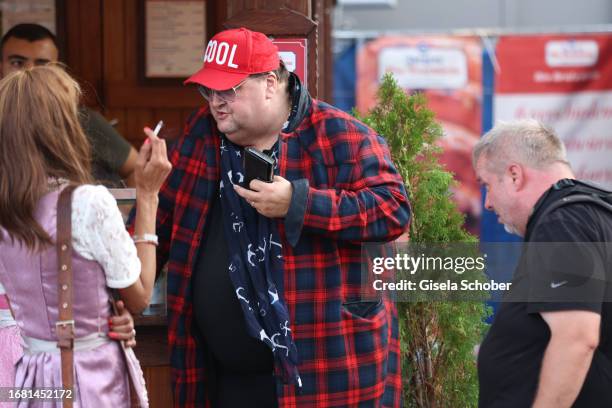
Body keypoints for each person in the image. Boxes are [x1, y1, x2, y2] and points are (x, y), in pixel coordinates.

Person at [135, 27, 410, 407]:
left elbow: (392, 209)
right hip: (221, 379)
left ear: (269, 83)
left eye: (228, 90)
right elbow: (153, 225)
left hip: (324, 375)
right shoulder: (201, 136)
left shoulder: (339, 136)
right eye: (208, 90)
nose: (216, 102)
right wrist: (118, 300)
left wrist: (299, 203)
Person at [0, 65, 171, 405]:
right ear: (62, 129)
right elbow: (138, 298)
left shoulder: (7, 208)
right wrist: (148, 196)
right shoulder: (88, 203)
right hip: (85, 377)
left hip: (28, 380)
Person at [473, 120, 612, 407]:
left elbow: (576, 337)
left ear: (514, 175)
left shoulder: (563, 221)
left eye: (487, 185)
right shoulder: (588, 212)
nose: (487, 203)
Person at [0, 23, 138, 187]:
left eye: (42, 64)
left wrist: (122, 210)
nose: (30, 71)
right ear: (1, 66)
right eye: (17, 63)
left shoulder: (83, 120)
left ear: (57, 70)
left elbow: (136, 169)